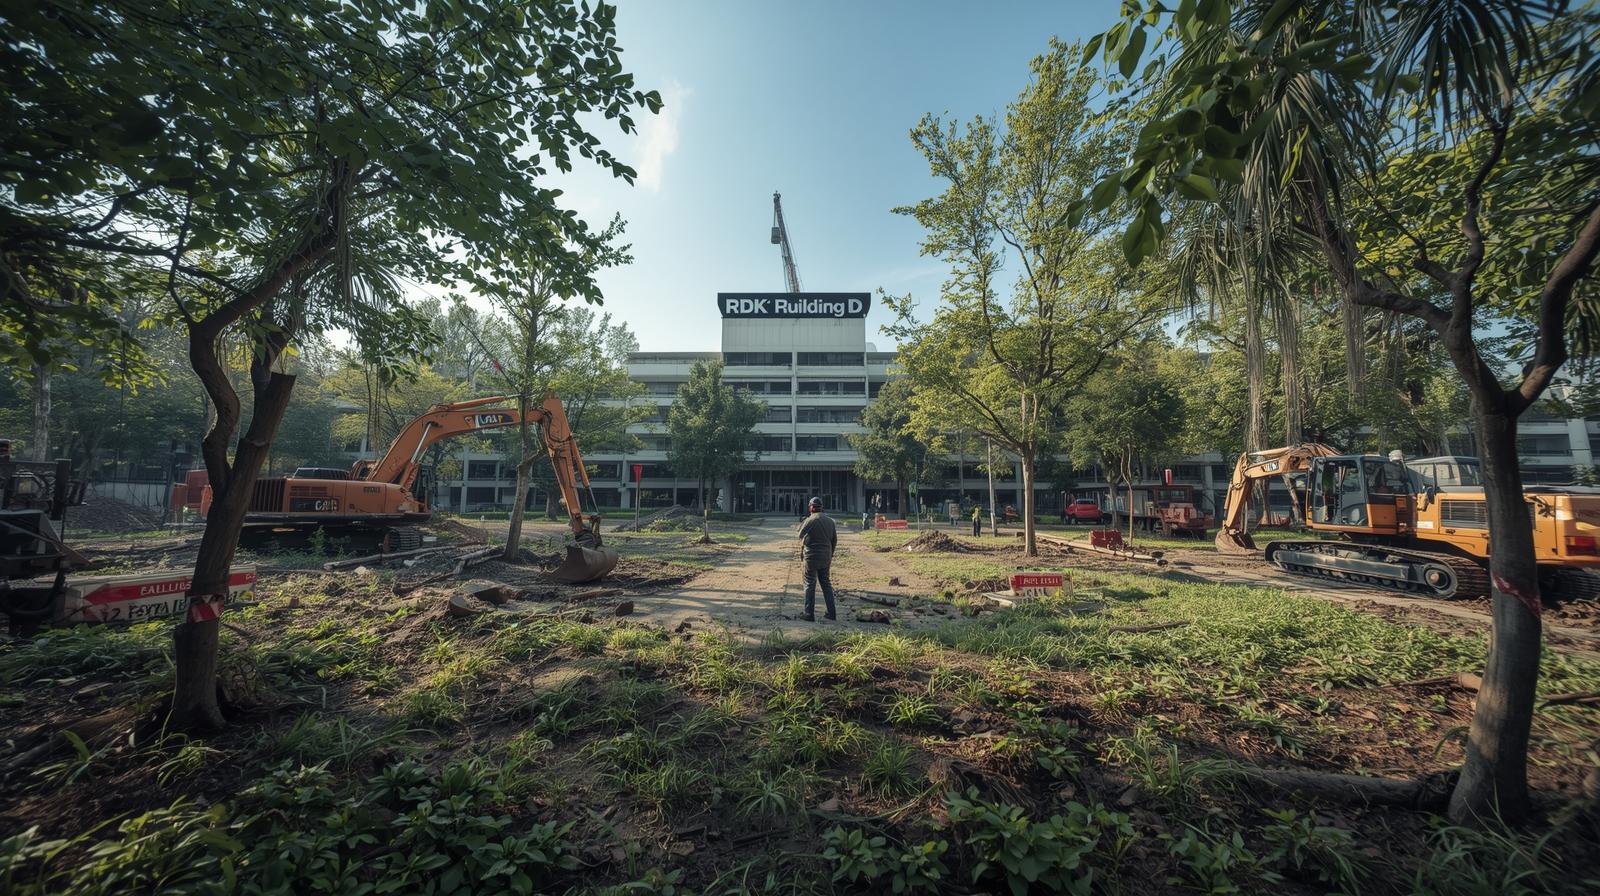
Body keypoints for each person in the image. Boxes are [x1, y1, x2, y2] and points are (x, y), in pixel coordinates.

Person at [798, 496, 837, 621]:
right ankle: (832, 613)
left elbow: (800, 535)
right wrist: (830, 554)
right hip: (826, 556)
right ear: (822, 507)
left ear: (810, 507)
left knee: (810, 584)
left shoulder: (810, 520)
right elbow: (834, 540)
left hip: (811, 557)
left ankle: (809, 614)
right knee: (826, 583)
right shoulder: (831, 521)